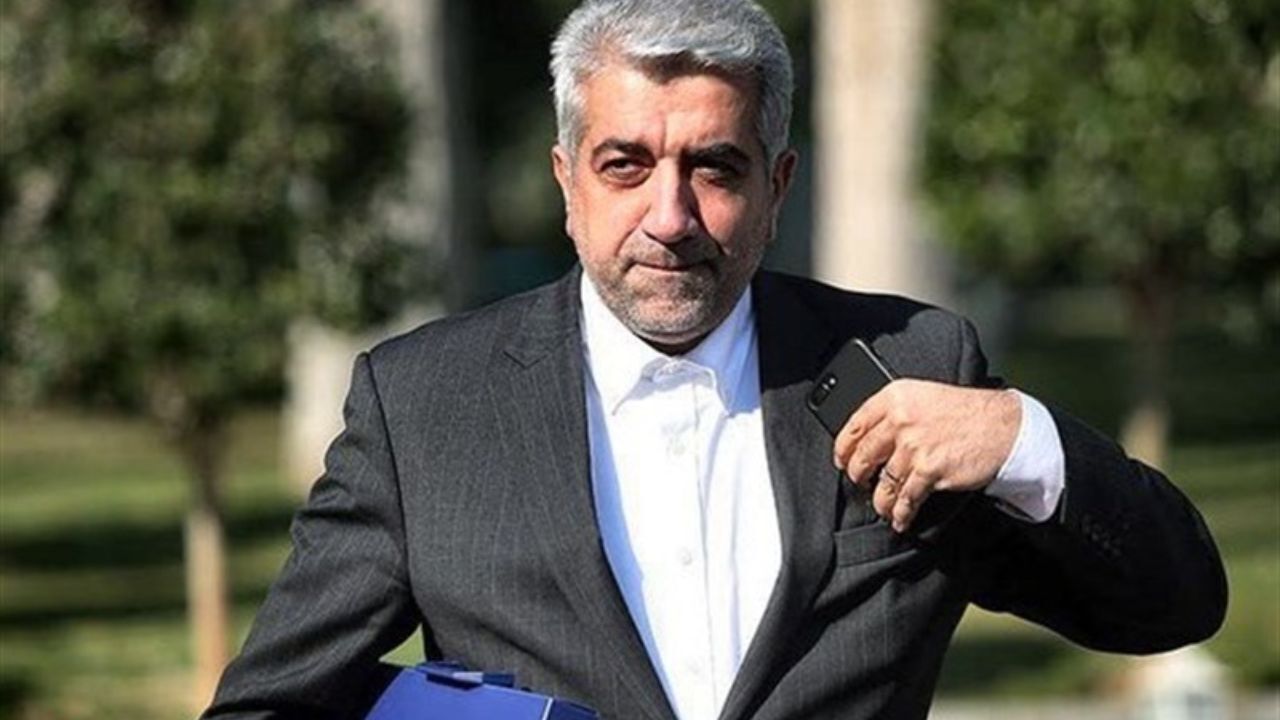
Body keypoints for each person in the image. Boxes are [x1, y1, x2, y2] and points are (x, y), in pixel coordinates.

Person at [202, 1, 1227, 718]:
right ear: (567, 183)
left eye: (714, 168)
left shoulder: (912, 365)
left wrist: (1018, 439)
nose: (670, 215)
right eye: (625, 165)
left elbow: (1170, 605)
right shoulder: (422, 406)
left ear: (777, 186)